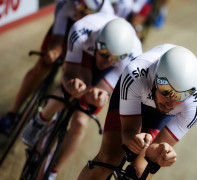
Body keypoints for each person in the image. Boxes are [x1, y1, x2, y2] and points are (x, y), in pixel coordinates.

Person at [21, 12, 142, 179]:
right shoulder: (82, 32)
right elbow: (68, 73)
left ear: (122, 56)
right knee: (72, 88)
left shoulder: (133, 58)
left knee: (80, 121)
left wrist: (99, 96)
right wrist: (72, 83)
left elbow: (104, 91)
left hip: (113, 71)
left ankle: (53, 170)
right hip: (84, 54)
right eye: (105, 54)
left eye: (113, 58)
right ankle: (41, 119)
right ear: (99, 43)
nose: (107, 61)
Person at [78, 44, 197, 180]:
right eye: (166, 91)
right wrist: (132, 138)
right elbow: (128, 132)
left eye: (180, 97)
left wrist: (160, 152)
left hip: (160, 117)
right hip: (134, 95)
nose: (170, 103)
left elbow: (153, 152)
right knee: (107, 159)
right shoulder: (136, 72)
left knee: (141, 172)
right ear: (155, 79)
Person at [0, 0, 114, 134]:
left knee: (76, 77)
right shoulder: (66, 4)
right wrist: (53, 52)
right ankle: (12, 113)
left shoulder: (106, 15)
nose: (79, 13)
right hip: (68, 26)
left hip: (89, 40)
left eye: (85, 12)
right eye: (79, 8)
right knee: (43, 64)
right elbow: (58, 36)